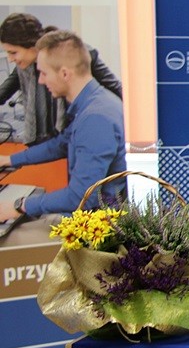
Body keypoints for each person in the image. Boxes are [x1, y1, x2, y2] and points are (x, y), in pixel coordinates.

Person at [0, 30, 127, 222]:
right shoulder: (95, 103)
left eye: (44, 73)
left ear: (65, 74)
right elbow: (60, 144)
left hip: (95, 226)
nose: (41, 81)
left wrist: (19, 205)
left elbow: (81, 197)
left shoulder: (95, 118)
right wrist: (9, 160)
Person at [1, 13, 122, 145]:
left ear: (32, 46)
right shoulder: (24, 64)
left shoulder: (79, 54)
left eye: (13, 52)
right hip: (43, 141)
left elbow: (116, 89)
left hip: (75, 139)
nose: (10, 59)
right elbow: (5, 90)